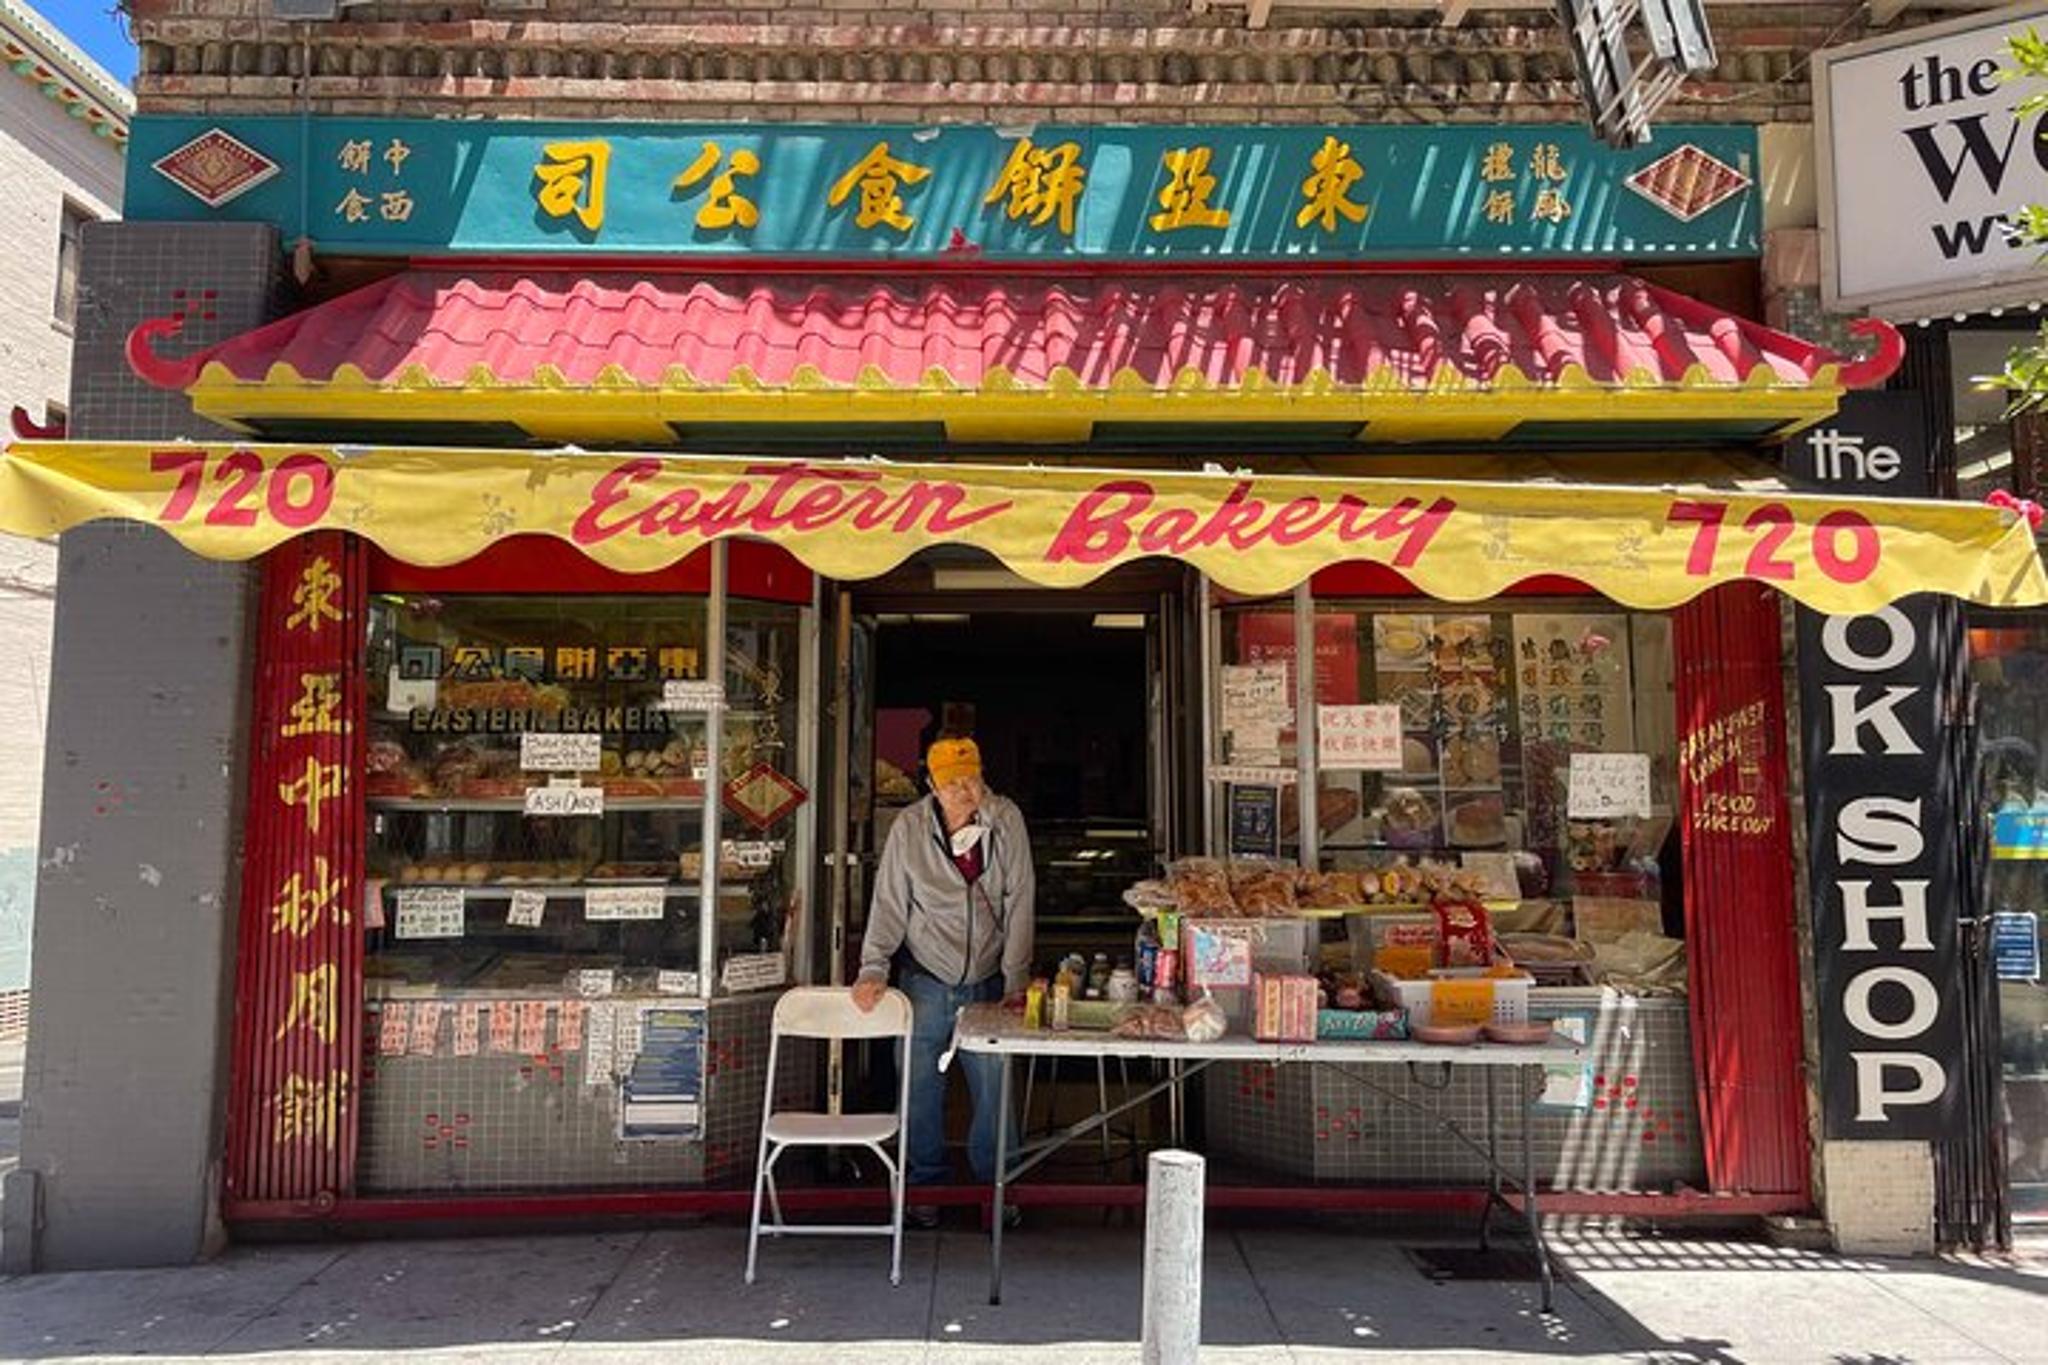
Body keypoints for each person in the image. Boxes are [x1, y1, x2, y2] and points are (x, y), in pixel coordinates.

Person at [852, 736, 1034, 1226]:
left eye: (971, 779)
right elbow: (889, 902)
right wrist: (874, 968)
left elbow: (1020, 900)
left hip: (989, 980)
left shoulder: (1005, 819)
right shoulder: (910, 827)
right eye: (951, 783)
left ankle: (998, 1188)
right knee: (918, 1088)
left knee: (995, 1088)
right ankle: (924, 1187)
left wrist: (1015, 979)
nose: (963, 790)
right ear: (931, 784)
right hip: (926, 978)